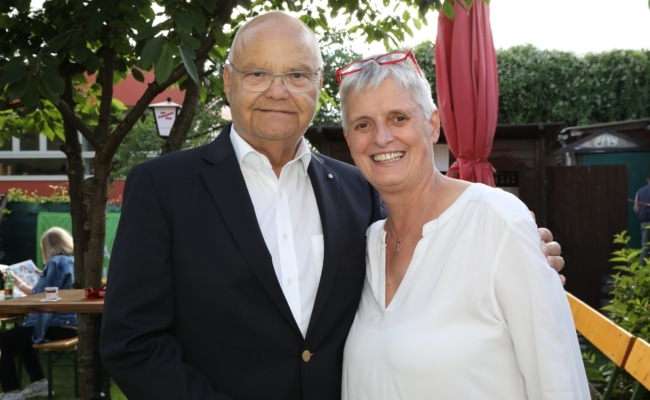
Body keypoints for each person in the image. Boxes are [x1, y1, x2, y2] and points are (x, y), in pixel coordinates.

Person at [99, 11, 565, 400]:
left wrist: (520, 254)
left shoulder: (355, 189)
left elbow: (430, 259)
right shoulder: (163, 187)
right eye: (258, 73)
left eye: (297, 74)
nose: (278, 90)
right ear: (228, 81)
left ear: (317, 85)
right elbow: (132, 343)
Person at [337, 51, 590, 399]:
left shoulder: (497, 223)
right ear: (349, 140)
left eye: (398, 118)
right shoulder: (366, 246)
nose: (381, 137)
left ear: (432, 125)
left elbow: (558, 382)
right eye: (363, 124)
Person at [0, 227, 77, 400]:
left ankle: (11, 392)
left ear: (48, 247)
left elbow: (40, 297)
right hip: (72, 323)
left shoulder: (55, 262)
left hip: (56, 324)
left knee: (4, 340)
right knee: (23, 335)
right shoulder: (73, 261)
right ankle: (39, 383)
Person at [634, 175, 650, 265]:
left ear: (647, 179)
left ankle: (641, 270)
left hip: (644, 221)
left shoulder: (640, 191)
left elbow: (636, 208)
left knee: (645, 247)